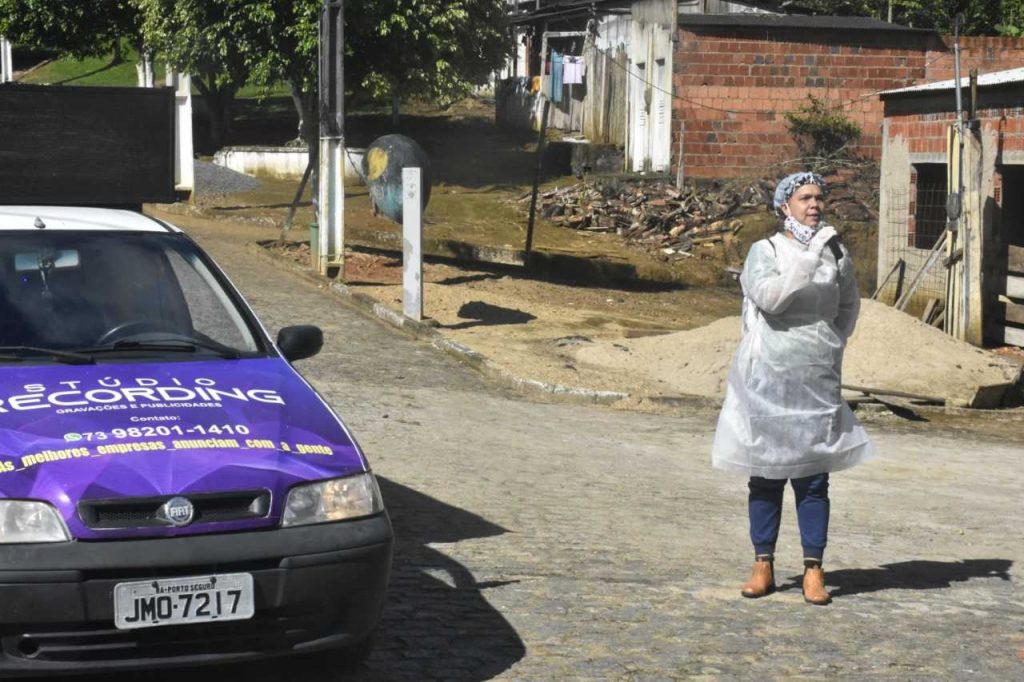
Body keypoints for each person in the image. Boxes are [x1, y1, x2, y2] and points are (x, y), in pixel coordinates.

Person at [711, 171, 874, 606]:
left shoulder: (835, 250)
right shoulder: (765, 250)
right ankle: (762, 562)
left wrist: (829, 341)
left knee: (813, 475)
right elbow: (772, 299)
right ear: (785, 205)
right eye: (805, 198)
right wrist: (806, 258)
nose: (815, 205)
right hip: (767, 376)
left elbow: (848, 304)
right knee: (765, 473)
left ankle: (813, 569)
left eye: (819, 197)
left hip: (815, 375)